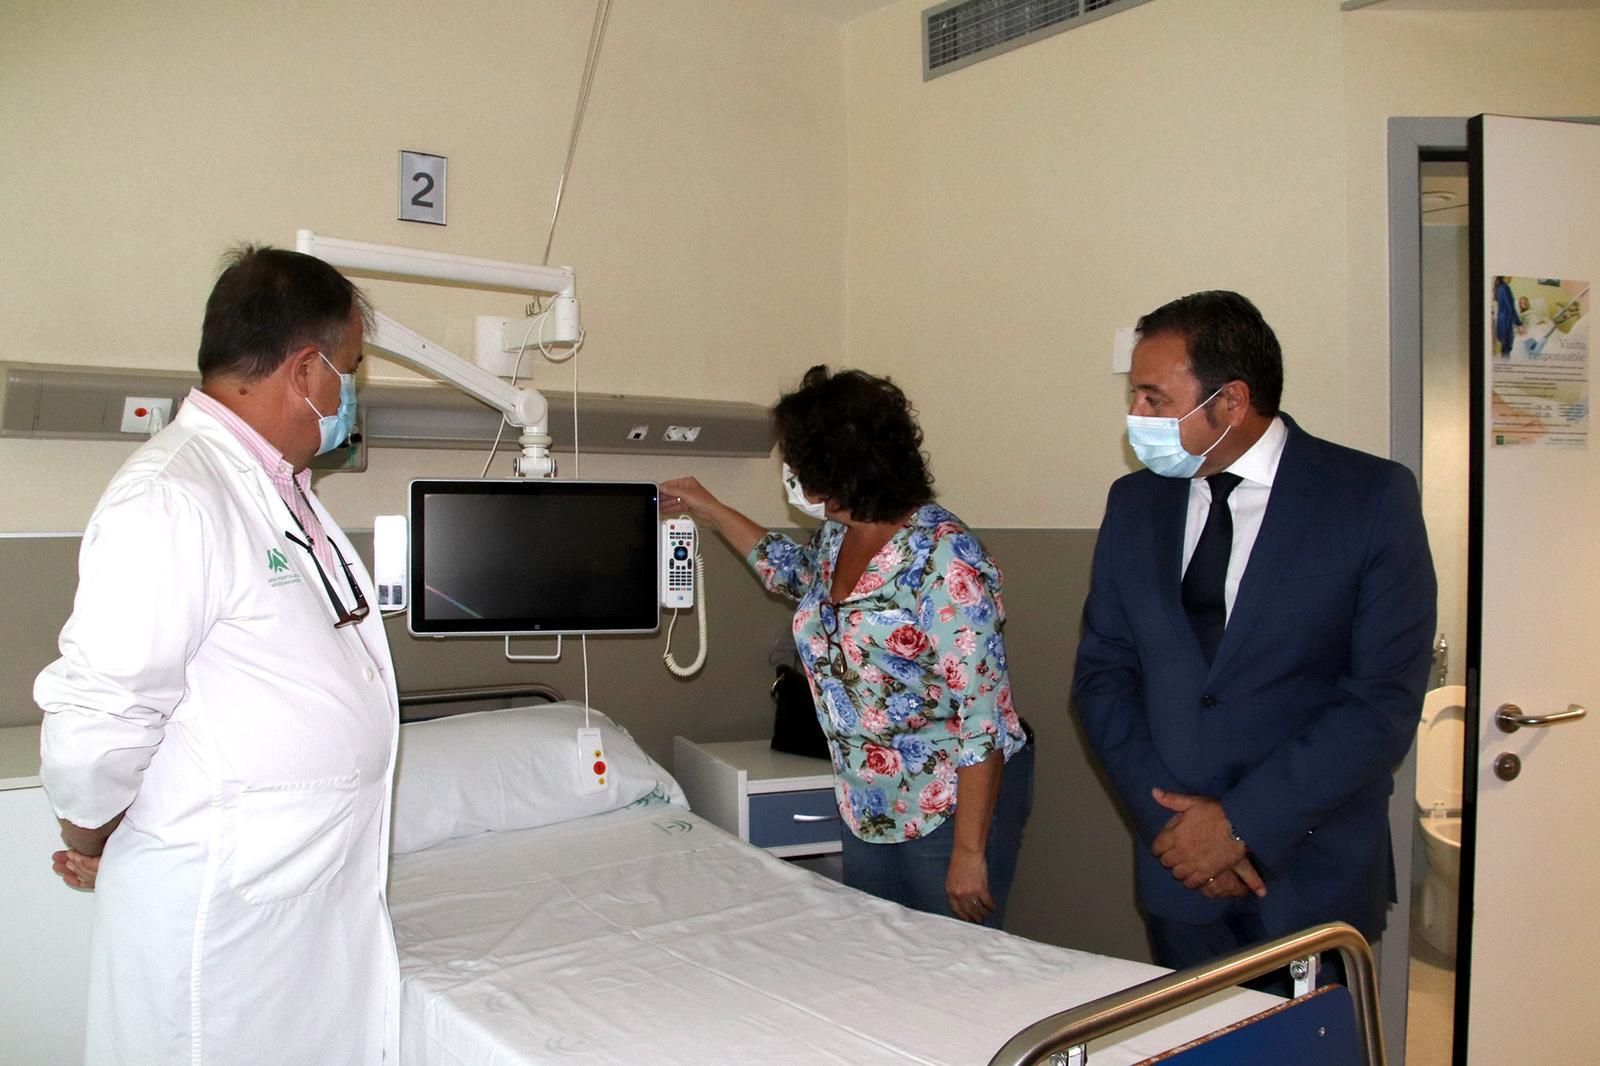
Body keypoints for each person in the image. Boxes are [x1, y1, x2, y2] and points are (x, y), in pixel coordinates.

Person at [35, 246, 400, 1065]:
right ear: (306, 372)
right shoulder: (172, 495)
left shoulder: (278, 489)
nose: (350, 391)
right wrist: (95, 841)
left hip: (292, 911)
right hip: (222, 929)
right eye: (349, 369)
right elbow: (98, 720)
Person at [1072, 291, 1435, 988]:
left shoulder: (1369, 498)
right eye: (1134, 397)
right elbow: (1102, 677)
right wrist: (1176, 835)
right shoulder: (1135, 505)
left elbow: (1381, 702)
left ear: (1231, 402)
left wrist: (1242, 826)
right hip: (1177, 876)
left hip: (1309, 876)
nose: (1136, 419)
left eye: (1154, 399)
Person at [663, 366, 1033, 927]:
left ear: (841, 466)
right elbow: (790, 573)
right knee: (884, 956)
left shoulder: (944, 560)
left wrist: (968, 853)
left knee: (953, 971)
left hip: (950, 807)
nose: (790, 474)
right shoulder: (841, 534)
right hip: (869, 800)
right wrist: (708, 507)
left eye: (799, 461)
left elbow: (982, 720)